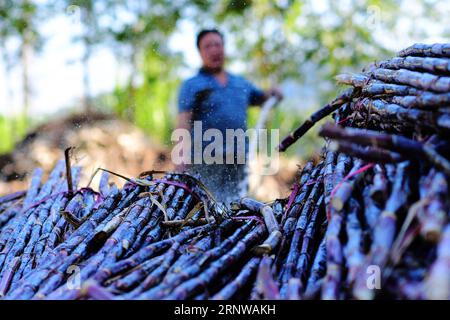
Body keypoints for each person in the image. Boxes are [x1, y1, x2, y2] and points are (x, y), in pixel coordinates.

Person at [175, 28, 282, 204]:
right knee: (208, 207)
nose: (214, 50)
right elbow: (183, 122)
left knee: (236, 206)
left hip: (238, 159)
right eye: (207, 46)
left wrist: (274, 93)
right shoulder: (192, 85)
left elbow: (262, 98)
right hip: (206, 160)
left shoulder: (240, 83)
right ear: (200, 52)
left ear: (224, 48)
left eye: (217, 44)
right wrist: (180, 158)